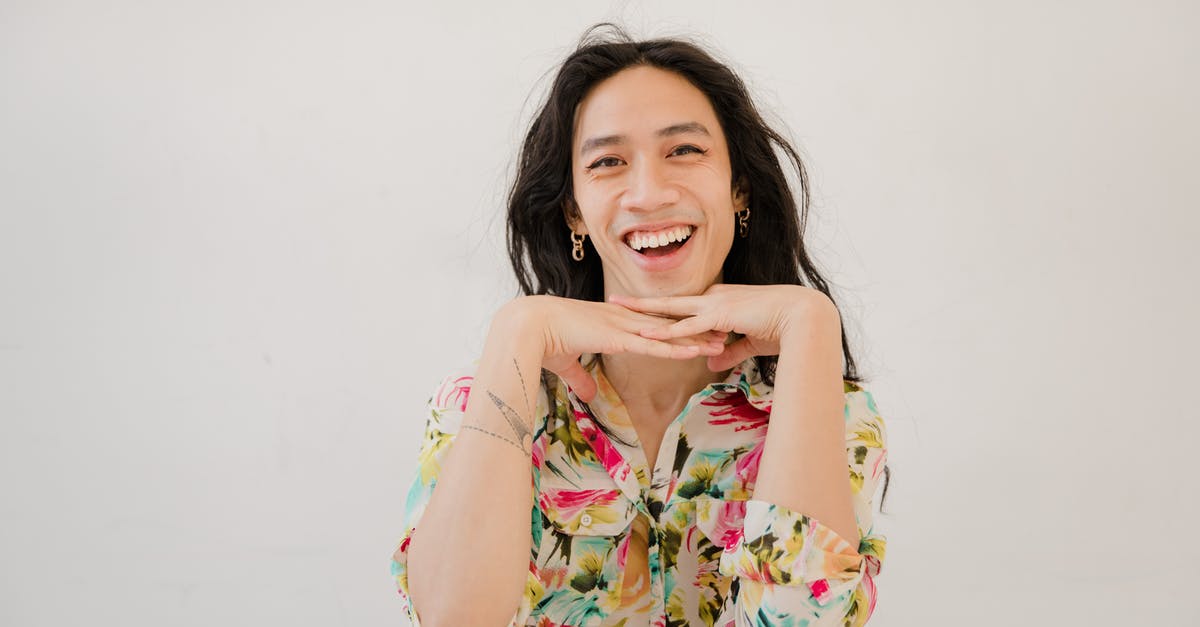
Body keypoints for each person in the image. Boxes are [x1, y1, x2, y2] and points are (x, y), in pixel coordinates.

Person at [390, 23, 890, 627]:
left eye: (684, 150)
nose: (649, 193)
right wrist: (515, 333)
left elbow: (801, 619)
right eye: (608, 161)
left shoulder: (827, 410)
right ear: (573, 210)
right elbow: (453, 620)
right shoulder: (480, 399)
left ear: (739, 189)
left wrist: (811, 323)